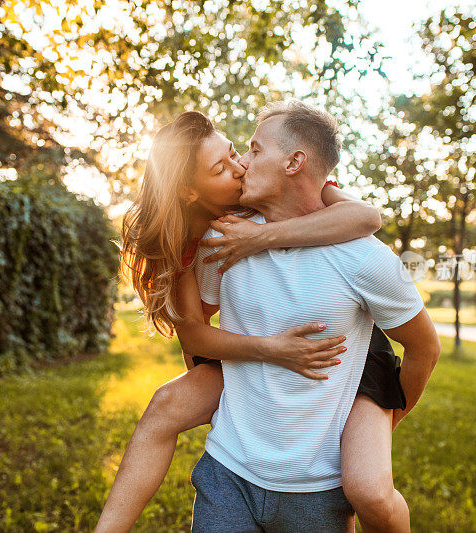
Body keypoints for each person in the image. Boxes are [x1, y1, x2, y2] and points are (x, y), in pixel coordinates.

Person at [95, 110, 413, 533]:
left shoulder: (281, 198)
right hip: (258, 339)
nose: (241, 165)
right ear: (190, 192)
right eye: (222, 167)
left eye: (235, 153)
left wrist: (260, 237)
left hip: (348, 345)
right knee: (164, 406)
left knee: (368, 486)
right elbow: (194, 335)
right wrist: (259, 363)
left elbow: (366, 219)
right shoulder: (187, 241)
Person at [189, 100, 440, 532]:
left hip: (317, 491)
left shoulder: (366, 259)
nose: (241, 164)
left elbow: (423, 347)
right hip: (226, 471)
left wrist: (390, 419)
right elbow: (195, 330)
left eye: (253, 149)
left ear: (294, 162)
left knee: (374, 494)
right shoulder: (222, 239)